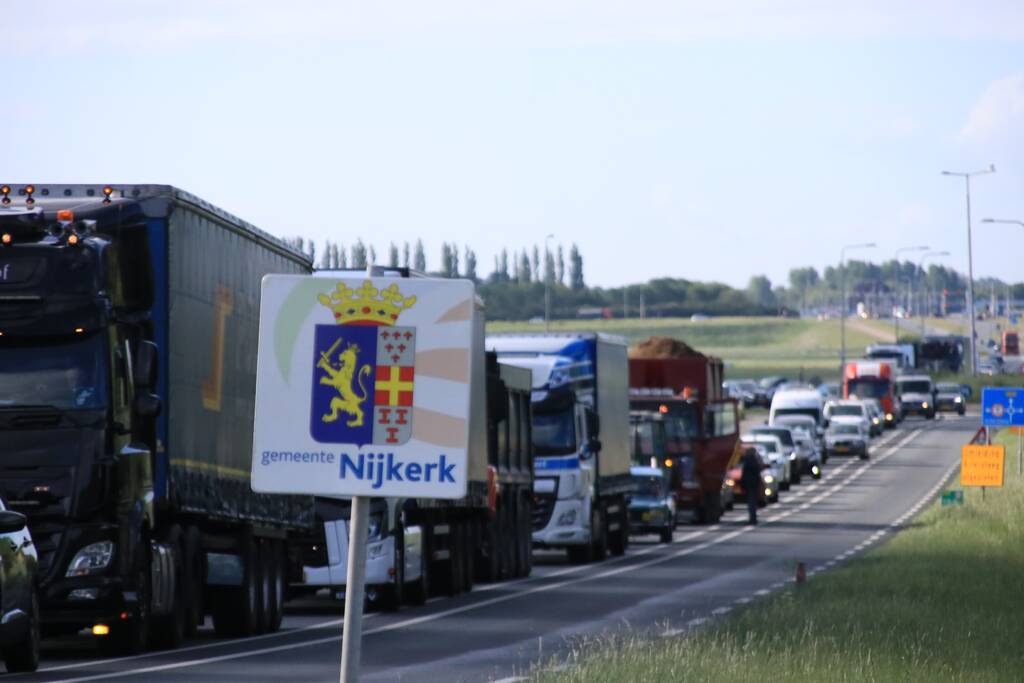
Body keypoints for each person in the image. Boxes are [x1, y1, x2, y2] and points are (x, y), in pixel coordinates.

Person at [740, 446, 762, 525]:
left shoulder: (747, 460)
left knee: (751, 502)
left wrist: (742, 483)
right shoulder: (754, 460)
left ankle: (752, 518)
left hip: (749, 483)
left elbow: (744, 473)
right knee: (752, 501)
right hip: (753, 483)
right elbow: (757, 473)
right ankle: (753, 518)